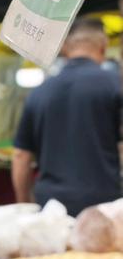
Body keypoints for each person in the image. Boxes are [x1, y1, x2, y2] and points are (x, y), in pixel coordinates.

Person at [12, 16, 122, 216]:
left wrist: (23, 205)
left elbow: (21, 156)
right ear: (103, 46)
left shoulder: (39, 92)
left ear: (64, 47)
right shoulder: (116, 85)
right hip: (104, 209)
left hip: (51, 211)